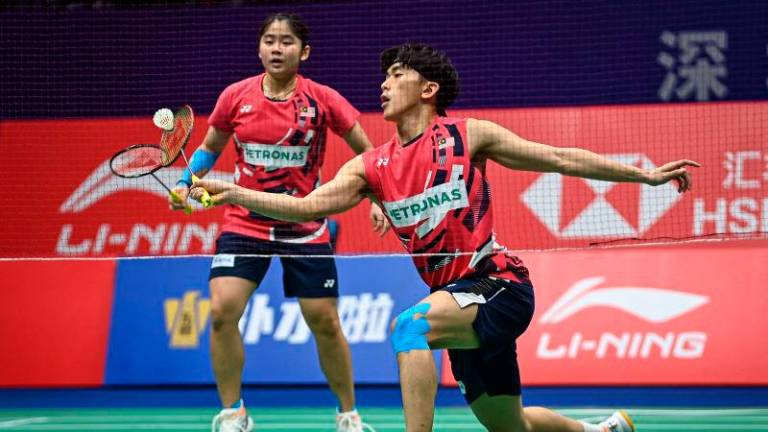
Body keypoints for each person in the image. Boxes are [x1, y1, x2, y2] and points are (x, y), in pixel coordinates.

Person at [190, 43, 700, 432]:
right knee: (510, 424)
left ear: (428, 89)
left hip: (499, 284)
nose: (384, 85)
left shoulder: (468, 136)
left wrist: (647, 177)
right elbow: (303, 206)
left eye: (397, 75)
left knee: (410, 327)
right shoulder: (371, 166)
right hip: (458, 301)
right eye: (384, 77)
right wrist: (232, 191)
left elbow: (561, 158)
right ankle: (599, 430)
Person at [170, 13, 383, 432]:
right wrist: (183, 182)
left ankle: (348, 415)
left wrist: (378, 197)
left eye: (286, 42)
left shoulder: (323, 99)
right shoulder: (236, 96)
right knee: (221, 311)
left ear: (303, 52)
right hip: (244, 220)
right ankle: (234, 413)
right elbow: (210, 148)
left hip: (303, 223)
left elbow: (367, 152)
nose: (276, 49)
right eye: (269, 40)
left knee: (324, 320)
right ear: (259, 47)